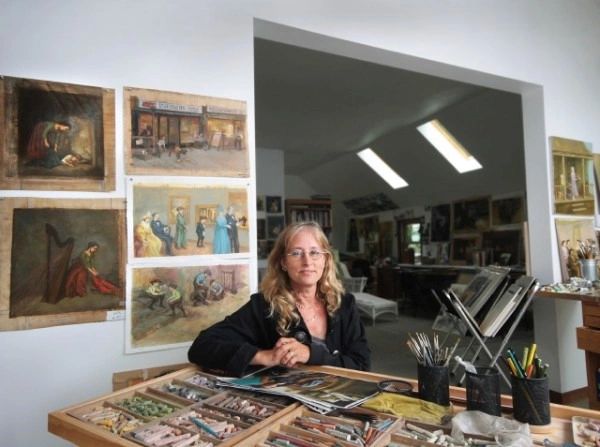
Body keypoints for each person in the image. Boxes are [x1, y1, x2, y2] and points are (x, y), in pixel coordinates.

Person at [188, 221, 370, 377]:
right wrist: (263, 356)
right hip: (287, 408)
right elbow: (201, 347)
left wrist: (310, 354)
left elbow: (362, 365)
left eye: (314, 252)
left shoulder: (344, 304)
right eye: (297, 253)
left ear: (325, 260)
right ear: (283, 262)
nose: (307, 262)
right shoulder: (264, 306)